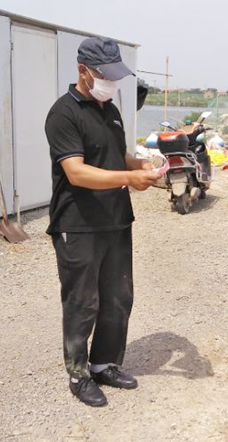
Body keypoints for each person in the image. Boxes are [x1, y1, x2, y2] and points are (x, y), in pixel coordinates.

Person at [44, 37, 162, 407]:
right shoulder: (63, 114)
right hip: (78, 222)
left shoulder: (110, 110)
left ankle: (104, 364)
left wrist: (139, 164)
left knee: (118, 296)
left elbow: (115, 154)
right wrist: (130, 178)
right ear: (83, 70)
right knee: (83, 301)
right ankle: (78, 375)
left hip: (116, 219)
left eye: (115, 75)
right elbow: (76, 172)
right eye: (105, 75)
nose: (111, 82)